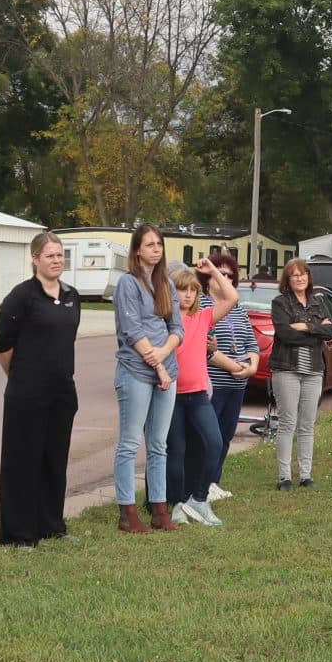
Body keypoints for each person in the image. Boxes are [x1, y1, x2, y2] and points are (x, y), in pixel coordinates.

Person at [0, 230, 81, 548]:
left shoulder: (72, 295)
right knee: (23, 462)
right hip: (27, 393)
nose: (57, 260)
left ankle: (50, 525)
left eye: (60, 255)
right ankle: (19, 534)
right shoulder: (22, 296)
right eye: (50, 255)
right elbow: (3, 344)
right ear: (35, 259)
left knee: (54, 459)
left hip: (62, 391)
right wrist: (20, 378)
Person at [112, 223, 180, 533]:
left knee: (158, 444)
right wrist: (159, 365)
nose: (156, 249)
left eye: (159, 244)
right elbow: (132, 330)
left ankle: (159, 508)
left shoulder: (166, 282)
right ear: (137, 249)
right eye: (149, 244)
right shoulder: (128, 284)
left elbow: (177, 328)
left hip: (165, 367)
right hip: (136, 370)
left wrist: (165, 353)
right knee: (129, 443)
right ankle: (127, 512)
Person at [163, 263, 239, 525]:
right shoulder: (165, 320)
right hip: (171, 395)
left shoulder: (204, 316)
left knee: (214, 443)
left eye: (192, 290)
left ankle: (199, 498)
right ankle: (176, 505)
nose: (187, 295)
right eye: (181, 290)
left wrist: (212, 271)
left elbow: (232, 297)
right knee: (176, 451)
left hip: (197, 395)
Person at [269, 257, 332, 490]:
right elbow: (285, 335)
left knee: (307, 423)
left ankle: (306, 475)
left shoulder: (319, 301)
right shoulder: (280, 303)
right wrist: (316, 331)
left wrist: (306, 326)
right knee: (288, 422)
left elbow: (331, 331)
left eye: (303, 274)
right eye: (294, 275)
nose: (299, 278)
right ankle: (284, 477)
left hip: (314, 371)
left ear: (309, 277)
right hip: (287, 369)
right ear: (287, 279)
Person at [205, 251, 259, 502]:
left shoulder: (238, 310)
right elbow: (206, 350)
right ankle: (202, 484)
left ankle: (214, 481)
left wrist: (251, 367)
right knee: (210, 437)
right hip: (214, 383)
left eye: (230, 275)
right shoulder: (202, 305)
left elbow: (252, 343)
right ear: (209, 276)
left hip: (237, 385)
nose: (225, 278)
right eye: (221, 273)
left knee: (226, 434)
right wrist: (235, 367)